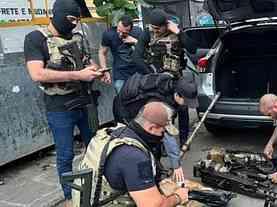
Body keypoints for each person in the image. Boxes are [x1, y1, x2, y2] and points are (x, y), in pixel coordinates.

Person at [23, 0, 110, 206]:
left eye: (77, 20)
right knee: (65, 154)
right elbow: (37, 73)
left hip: (86, 102)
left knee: (95, 147)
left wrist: (97, 71)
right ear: (58, 15)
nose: (74, 24)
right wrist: (78, 74)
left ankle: (99, 189)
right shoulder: (36, 38)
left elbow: (88, 61)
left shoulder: (78, 37)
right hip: (60, 106)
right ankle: (71, 197)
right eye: (71, 19)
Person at [76, 102, 189, 207]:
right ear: (152, 128)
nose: (163, 136)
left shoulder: (115, 132)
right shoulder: (134, 157)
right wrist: (178, 197)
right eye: (163, 132)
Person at [113, 72, 199, 183]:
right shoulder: (160, 104)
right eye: (186, 101)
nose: (187, 105)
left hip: (137, 107)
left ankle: (154, 171)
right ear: (177, 95)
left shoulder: (171, 82)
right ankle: (139, 180)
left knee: (155, 141)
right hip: (126, 112)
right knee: (141, 145)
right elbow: (167, 136)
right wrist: (176, 165)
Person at [133, 8, 197, 148]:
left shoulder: (176, 31)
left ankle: (184, 140)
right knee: (162, 110)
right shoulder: (147, 33)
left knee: (182, 108)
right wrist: (151, 74)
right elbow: (136, 57)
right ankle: (161, 143)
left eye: (158, 28)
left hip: (176, 77)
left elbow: (193, 49)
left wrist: (179, 32)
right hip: (157, 79)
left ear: (165, 25)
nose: (155, 31)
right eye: (152, 27)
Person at [98, 15, 142, 93]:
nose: (120, 34)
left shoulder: (138, 32)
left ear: (130, 30)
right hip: (120, 73)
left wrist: (135, 42)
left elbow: (145, 51)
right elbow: (102, 52)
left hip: (137, 72)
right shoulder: (109, 34)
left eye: (124, 33)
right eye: (119, 30)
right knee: (122, 98)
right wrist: (105, 71)